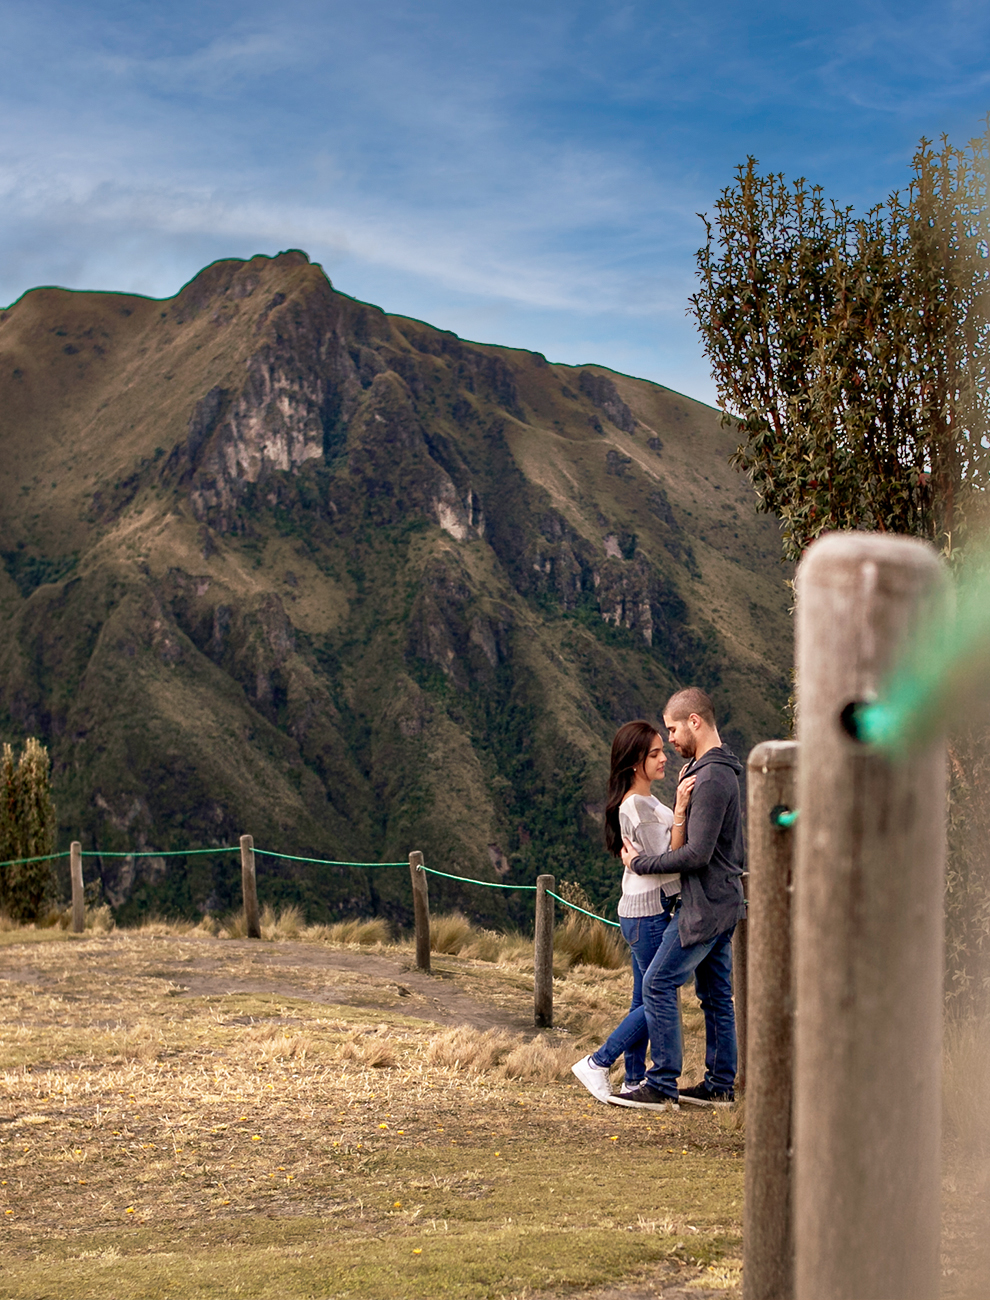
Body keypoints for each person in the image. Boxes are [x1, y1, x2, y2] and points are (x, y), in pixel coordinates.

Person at [609, 687, 745, 1112]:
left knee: (657, 983)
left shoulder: (711, 777)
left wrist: (641, 863)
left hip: (705, 907)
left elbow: (695, 855)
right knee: (716, 995)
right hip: (722, 900)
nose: (669, 740)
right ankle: (721, 1085)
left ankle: (662, 1082)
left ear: (695, 721)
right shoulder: (708, 770)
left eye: (672, 728)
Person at [571, 720, 694, 1104]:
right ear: (633, 762)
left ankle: (634, 1079)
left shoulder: (642, 799)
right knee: (660, 994)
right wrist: (682, 810)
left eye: (662, 749)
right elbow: (667, 861)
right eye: (654, 753)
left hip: (642, 910)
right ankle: (598, 1061)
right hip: (650, 912)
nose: (663, 758)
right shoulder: (637, 806)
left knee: (644, 997)